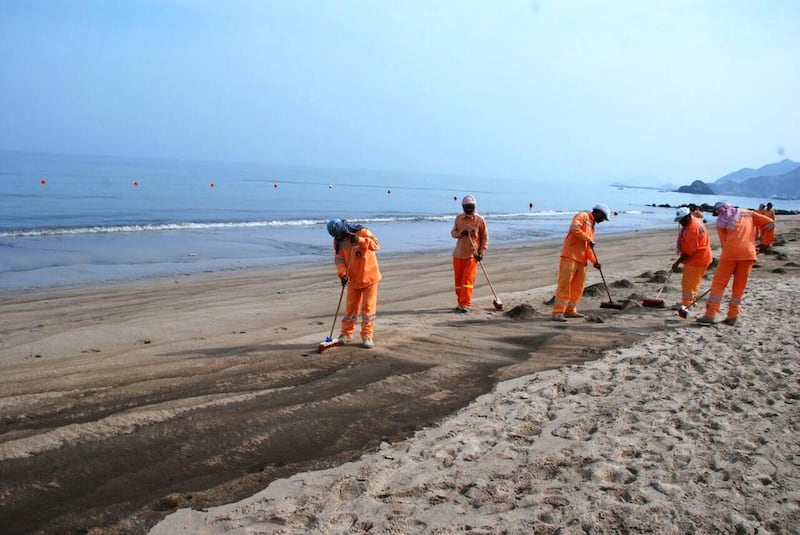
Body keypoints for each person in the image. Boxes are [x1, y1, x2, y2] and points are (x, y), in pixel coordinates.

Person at [697, 201, 775, 326]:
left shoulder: (721, 222)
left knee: (718, 284)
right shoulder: (749, 213)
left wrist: (730, 263)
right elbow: (770, 224)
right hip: (749, 254)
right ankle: (733, 316)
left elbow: (724, 243)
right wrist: (766, 242)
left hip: (730, 254)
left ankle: (710, 314)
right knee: (739, 286)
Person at [327, 219, 382, 348]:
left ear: (344, 229)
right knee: (350, 309)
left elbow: (376, 245)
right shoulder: (338, 241)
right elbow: (339, 259)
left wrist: (360, 240)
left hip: (370, 277)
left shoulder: (361, 231)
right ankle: (346, 334)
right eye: (336, 236)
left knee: (368, 309)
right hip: (352, 279)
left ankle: (367, 336)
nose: (339, 237)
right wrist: (342, 274)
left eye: (340, 235)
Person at [551, 204, 610, 322]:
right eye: (603, 218)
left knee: (578, 287)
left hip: (582, 261)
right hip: (570, 256)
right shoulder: (583, 216)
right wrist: (588, 239)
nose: (603, 221)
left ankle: (570, 310)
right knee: (565, 284)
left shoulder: (593, 227)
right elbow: (574, 229)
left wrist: (594, 262)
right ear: (598, 213)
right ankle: (558, 312)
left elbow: (589, 247)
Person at [450, 194, 488, 313]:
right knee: (459, 282)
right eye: (466, 207)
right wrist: (461, 233)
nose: (468, 209)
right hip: (458, 254)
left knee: (467, 281)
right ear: (463, 207)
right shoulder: (459, 218)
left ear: (474, 206)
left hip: (472, 255)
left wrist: (481, 252)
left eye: (470, 206)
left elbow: (485, 238)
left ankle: (465, 304)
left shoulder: (479, 220)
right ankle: (460, 302)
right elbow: (453, 233)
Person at [671, 206, 713, 310]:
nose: (680, 223)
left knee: (688, 283)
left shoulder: (692, 229)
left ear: (687, 217)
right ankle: (691, 301)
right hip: (701, 258)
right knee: (694, 282)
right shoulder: (694, 220)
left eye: (681, 220)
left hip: (697, 259)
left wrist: (677, 262)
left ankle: (686, 304)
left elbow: (689, 251)